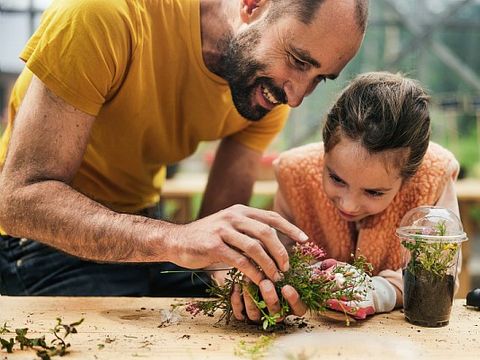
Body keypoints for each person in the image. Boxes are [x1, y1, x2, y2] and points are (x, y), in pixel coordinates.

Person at [0, 0, 368, 296]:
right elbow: (17, 201)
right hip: (36, 244)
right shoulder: (102, 14)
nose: (297, 96)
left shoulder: (266, 90)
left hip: (140, 238)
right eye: (299, 61)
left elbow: (221, 236)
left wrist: (247, 283)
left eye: (319, 78)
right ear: (253, 5)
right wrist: (175, 239)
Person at [231, 71, 461, 322]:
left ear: (410, 177)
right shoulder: (294, 174)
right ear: (325, 150)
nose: (349, 205)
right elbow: (281, 258)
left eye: (374, 192)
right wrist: (305, 278)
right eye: (336, 179)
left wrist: (381, 292)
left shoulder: (434, 174)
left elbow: (441, 276)